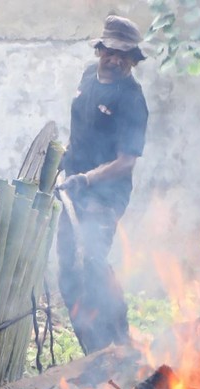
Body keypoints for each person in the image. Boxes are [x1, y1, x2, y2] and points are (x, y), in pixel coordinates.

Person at [56, 14, 149, 355]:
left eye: (124, 55)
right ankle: (93, 351)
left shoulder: (132, 99)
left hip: (106, 195)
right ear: (100, 50)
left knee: (94, 261)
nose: (115, 59)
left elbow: (127, 161)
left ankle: (120, 341)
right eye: (110, 51)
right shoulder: (87, 77)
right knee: (68, 268)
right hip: (74, 187)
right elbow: (79, 130)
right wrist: (65, 162)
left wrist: (87, 179)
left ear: (132, 60)